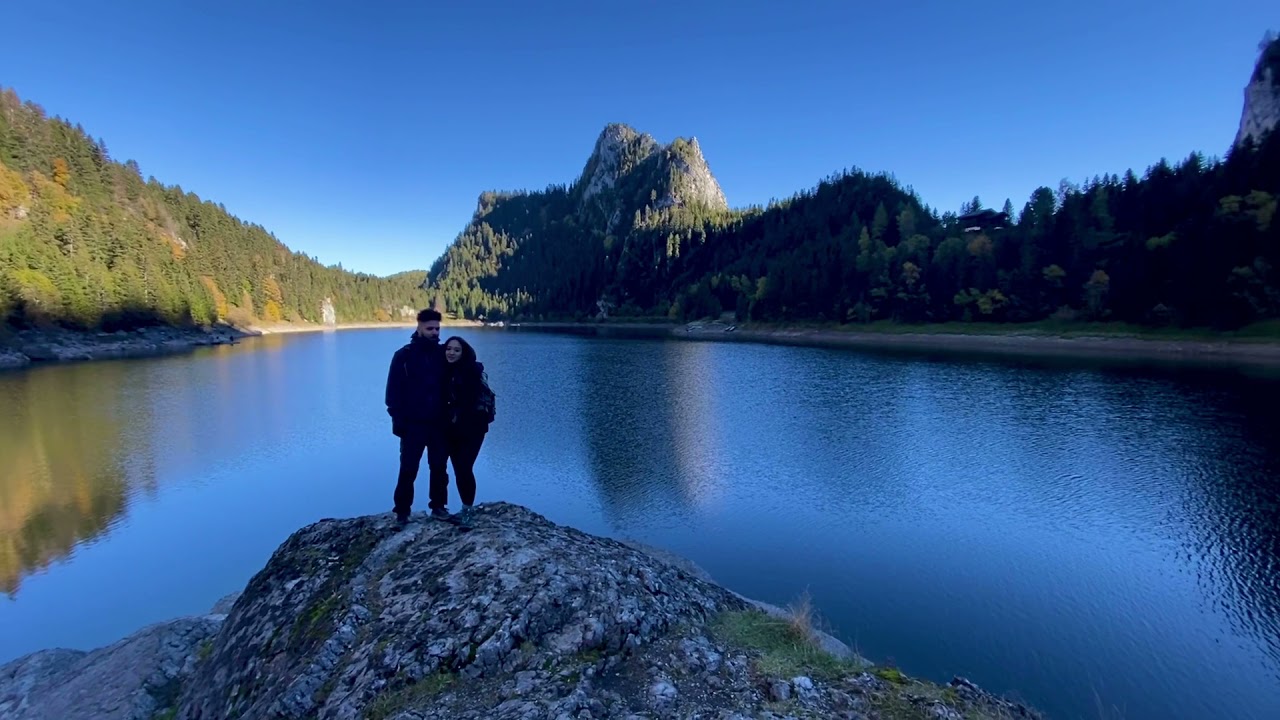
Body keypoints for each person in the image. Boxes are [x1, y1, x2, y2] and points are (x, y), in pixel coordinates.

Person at [384, 308, 450, 525]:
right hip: (413, 424)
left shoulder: (444, 355)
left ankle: (439, 507)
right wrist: (398, 420)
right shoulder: (403, 356)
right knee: (408, 469)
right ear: (419, 328)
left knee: (439, 467)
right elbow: (393, 392)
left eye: (437, 329)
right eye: (430, 328)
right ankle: (402, 512)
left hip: (439, 423)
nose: (434, 332)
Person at [441, 335, 493, 524]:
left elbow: (467, 402)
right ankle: (465, 509)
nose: (451, 352)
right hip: (453, 429)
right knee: (458, 469)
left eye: (456, 350)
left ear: (464, 352)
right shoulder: (446, 370)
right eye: (448, 349)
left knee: (464, 467)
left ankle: (468, 513)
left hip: (473, 429)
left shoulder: (470, 371)